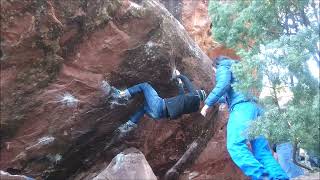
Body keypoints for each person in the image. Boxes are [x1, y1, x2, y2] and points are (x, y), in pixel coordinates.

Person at [200, 56, 288, 180]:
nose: (214, 73)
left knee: (235, 146)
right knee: (262, 152)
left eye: (214, 70)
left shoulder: (223, 66)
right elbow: (230, 95)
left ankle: (263, 178)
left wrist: (207, 104)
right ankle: (280, 178)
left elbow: (223, 84)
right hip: (256, 108)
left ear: (215, 65)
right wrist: (205, 97)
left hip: (242, 108)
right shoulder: (238, 70)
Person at [106, 70, 206, 147]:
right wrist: (179, 84)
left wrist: (179, 75)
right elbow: (181, 97)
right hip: (159, 115)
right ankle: (129, 124)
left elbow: (187, 82)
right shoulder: (194, 107)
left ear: (198, 94)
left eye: (197, 92)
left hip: (159, 105)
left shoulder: (195, 95)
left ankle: (121, 95)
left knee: (145, 86)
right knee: (144, 107)